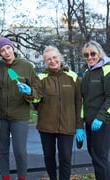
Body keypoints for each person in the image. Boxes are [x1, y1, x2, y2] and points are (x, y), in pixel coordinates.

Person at [34, 45, 84, 180]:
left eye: (54, 57)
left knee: (66, 157)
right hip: (46, 126)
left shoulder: (72, 77)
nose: (52, 61)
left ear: (60, 57)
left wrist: (80, 126)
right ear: (45, 61)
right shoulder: (41, 78)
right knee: (49, 156)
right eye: (48, 59)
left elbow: (79, 103)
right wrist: (29, 93)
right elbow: (35, 99)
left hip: (67, 125)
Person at [0, 37, 38, 180]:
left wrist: (29, 91)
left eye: (8, 48)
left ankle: (22, 177)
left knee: (19, 151)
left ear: (12, 47)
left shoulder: (27, 66)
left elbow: (37, 90)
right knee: (2, 151)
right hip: (0, 117)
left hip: (19, 116)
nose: (6, 52)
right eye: (2, 50)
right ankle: (5, 177)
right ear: (0, 53)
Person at [81, 40, 110, 180]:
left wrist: (100, 118)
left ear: (99, 53)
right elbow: (82, 98)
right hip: (90, 122)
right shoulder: (87, 72)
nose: (90, 57)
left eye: (93, 54)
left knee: (100, 157)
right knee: (94, 156)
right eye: (86, 55)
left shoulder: (107, 69)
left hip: (103, 122)